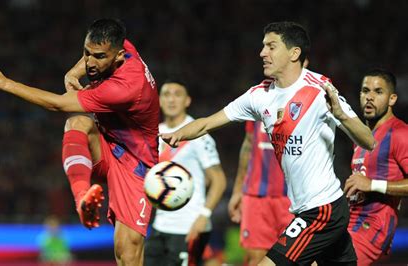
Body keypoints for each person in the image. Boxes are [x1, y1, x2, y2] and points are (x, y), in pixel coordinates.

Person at [160, 21, 376, 265]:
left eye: (271, 47)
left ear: (294, 53)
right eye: (263, 46)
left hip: (322, 210)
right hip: (307, 208)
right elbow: (207, 123)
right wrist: (175, 134)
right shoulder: (259, 96)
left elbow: (368, 141)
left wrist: (341, 114)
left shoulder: (320, 90)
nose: (263, 53)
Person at [0, 18, 160, 265]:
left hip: (135, 167)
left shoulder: (125, 87)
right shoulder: (122, 45)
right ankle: (82, 197)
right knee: (78, 122)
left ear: (118, 56)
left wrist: (5, 83)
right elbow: (91, 60)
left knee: (127, 255)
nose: (91, 63)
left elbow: (57, 103)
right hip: (107, 145)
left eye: (100, 57)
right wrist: (73, 72)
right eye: (87, 54)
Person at [144, 80, 227, 266]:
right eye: (166, 94)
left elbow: (219, 179)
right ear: (159, 100)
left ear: (187, 100)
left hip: (189, 227)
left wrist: (204, 216)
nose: (171, 99)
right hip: (159, 226)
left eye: (177, 94)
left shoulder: (198, 133)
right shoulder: (154, 133)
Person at [344, 69, 408, 265]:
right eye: (365, 91)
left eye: (378, 92)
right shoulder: (361, 137)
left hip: (372, 228)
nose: (369, 97)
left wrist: (372, 184)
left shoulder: (399, 133)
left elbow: (368, 183)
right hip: (351, 223)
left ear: (392, 99)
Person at [228, 120, 293, 265]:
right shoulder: (255, 97)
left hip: (294, 196)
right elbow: (249, 141)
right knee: (256, 259)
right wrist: (238, 189)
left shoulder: (305, 100)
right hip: (256, 195)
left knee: (299, 257)